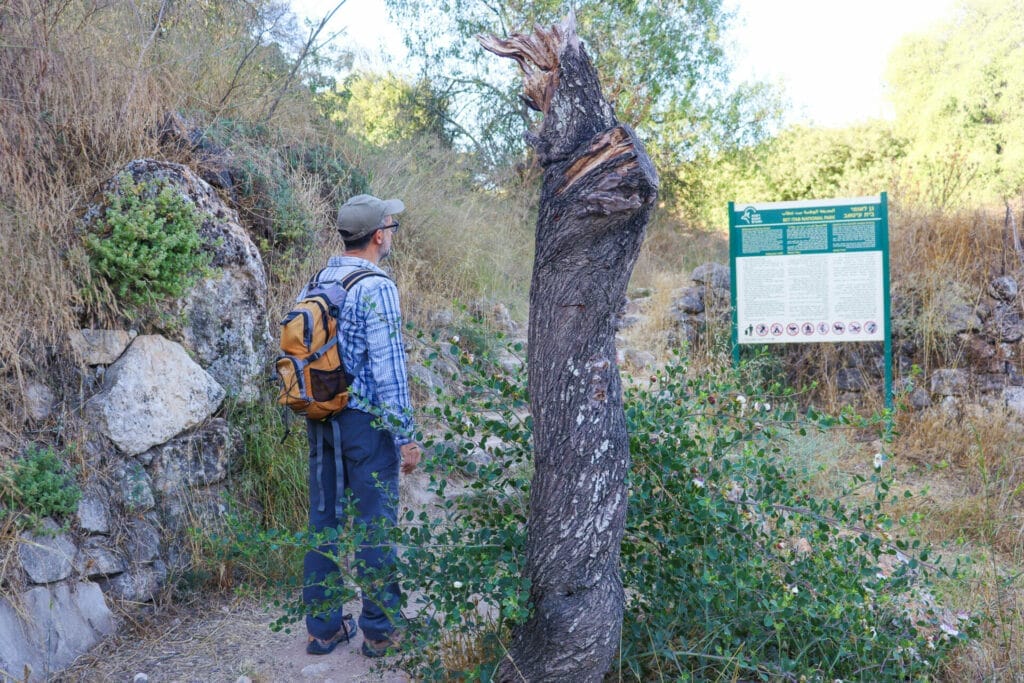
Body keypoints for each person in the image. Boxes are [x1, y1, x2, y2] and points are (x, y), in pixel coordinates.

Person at [300, 193, 422, 658]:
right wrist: (405, 436)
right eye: (391, 225)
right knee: (374, 525)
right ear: (377, 236)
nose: (392, 232)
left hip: (321, 417)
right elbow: (389, 369)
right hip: (365, 424)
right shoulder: (377, 286)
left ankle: (323, 629)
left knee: (324, 523)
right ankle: (380, 629)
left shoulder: (317, 279)